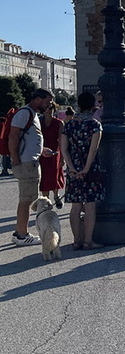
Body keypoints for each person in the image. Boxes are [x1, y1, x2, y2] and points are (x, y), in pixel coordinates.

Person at [60, 90, 105, 250]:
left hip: (73, 169)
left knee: (76, 205)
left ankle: (76, 241)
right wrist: (86, 169)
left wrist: (72, 168)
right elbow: (93, 150)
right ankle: (88, 241)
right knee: (90, 205)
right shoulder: (95, 125)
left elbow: (64, 149)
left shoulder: (69, 125)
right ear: (93, 105)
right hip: (91, 168)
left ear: (78, 105)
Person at [9, 88, 55, 246]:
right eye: (47, 102)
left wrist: (41, 150)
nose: (49, 105)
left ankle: (19, 233)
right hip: (26, 163)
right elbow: (13, 135)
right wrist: (15, 158)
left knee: (27, 199)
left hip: (30, 161)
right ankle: (22, 235)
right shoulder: (25, 113)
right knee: (27, 200)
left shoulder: (31, 114)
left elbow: (27, 138)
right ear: (37, 99)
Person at [40, 100, 66, 208]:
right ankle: (46, 201)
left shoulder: (59, 123)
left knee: (54, 176)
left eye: (51, 108)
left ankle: (56, 195)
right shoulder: (39, 122)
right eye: (47, 108)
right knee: (43, 178)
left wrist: (62, 157)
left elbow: (61, 141)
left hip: (55, 153)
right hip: (42, 153)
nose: (49, 110)